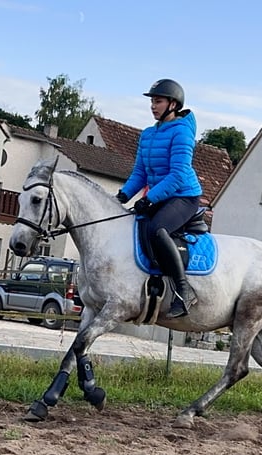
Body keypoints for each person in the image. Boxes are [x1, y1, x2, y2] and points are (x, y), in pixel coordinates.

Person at [115, 79, 202, 318]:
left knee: (157, 229)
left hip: (183, 196)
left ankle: (184, 291)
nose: (153, 106)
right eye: (152, 101)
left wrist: (149, 198)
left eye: (158, 101)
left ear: (173, 104)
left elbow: (178, 174)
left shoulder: (182, 132)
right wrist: (123, 194)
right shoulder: (148, 134)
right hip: (159, 196)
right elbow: (140, 173)